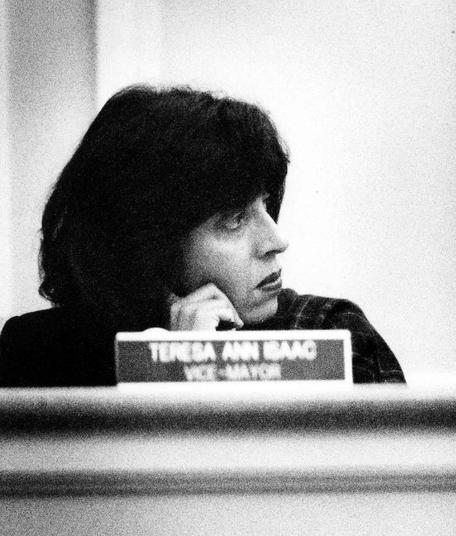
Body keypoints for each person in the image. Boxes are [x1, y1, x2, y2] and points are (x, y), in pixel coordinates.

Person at [0, 85, 405, 386]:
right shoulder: (39, 353)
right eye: (233, 218)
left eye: (265, 205)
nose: (276, 240)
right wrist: (174, 371)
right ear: (147, 245)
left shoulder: (329, 333)